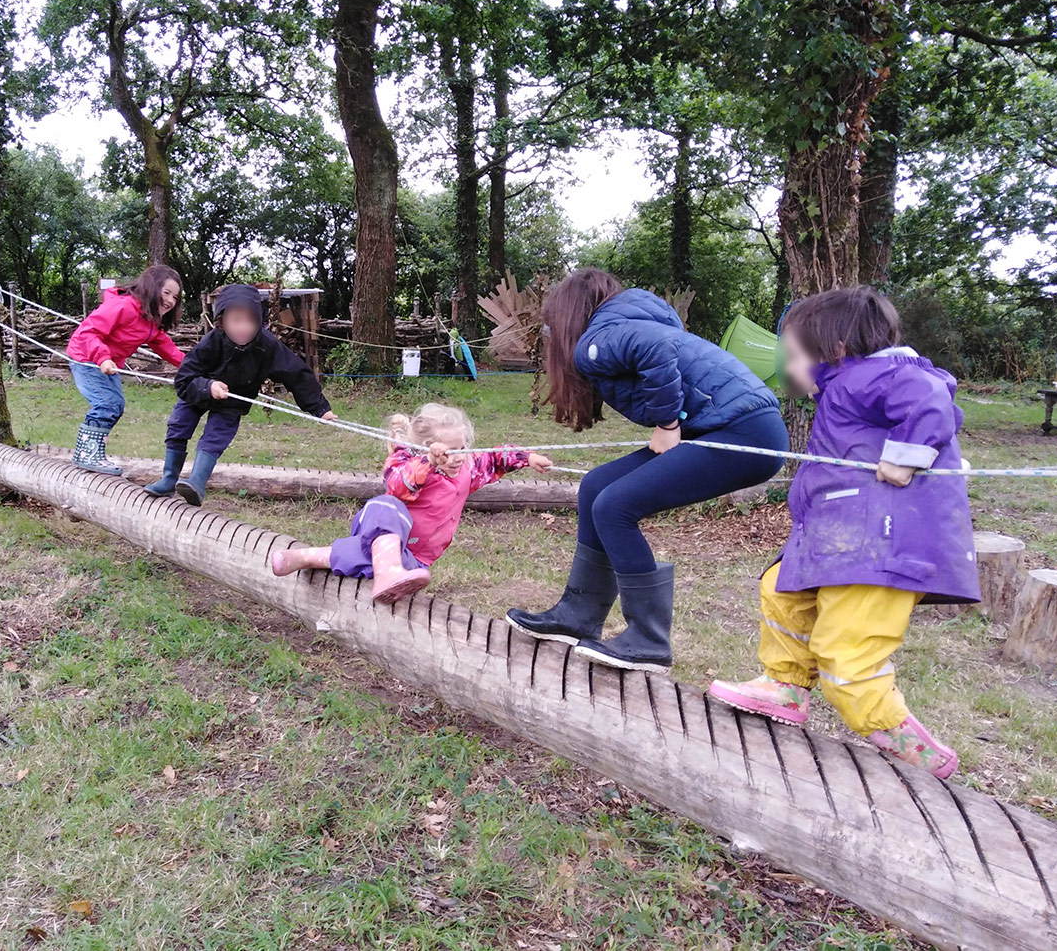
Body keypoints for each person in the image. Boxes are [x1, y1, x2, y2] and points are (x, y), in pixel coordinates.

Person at [709, 287, 977, 778]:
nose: (788, 370)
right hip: (842, 541)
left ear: (831, 350)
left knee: (846, 657)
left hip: (881, 547)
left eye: (793, 356)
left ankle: (906, 742)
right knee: (781, 588)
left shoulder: (880, 375)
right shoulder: (849, 387)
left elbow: (931, 401)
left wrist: (905, 456)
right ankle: (785, 687)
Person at [506, 269, 788, 671]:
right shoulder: (621, 324)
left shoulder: (597, 338)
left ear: (569, 315)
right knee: (597, 486)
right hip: (732, 427)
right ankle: (579, 614)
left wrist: (667, 424)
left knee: (615, 506)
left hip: (745, 431)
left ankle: (648, 639)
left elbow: (657, 352)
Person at [269, 403, 553, 603]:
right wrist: (428, 462)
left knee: (358, 556)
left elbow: (493, 457)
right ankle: (386, 571)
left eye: (463, 448)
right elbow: (396, 483)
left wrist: (526, 458)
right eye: (450, 451)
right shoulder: (407, 462)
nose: (458, 457)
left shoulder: (467, 468)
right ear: (424, 448)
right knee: (385, 505)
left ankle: (305, 557)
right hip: (381, 532)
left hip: (414, 557)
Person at [144, 283, 336, 505]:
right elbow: (184, 378)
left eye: (251, 320)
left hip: (233, 401)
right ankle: (168, 479)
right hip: (198, 390)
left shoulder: (267, 346)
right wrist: (209, 386)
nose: (243, 327)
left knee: (215, 438)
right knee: (179, 425)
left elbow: (297, 374)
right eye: (236, 320)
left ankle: (196, 483)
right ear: (221, 321)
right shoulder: (211, 342)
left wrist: (321, 409)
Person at [66, 267, 185, 475]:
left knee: (116, 405)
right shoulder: (122, 306)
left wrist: (192, 367)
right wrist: (102, 357)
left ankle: (92, 452)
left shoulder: (150, 321)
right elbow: (89, 332)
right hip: (86, 357)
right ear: (151, 287)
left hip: (106, 364)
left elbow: (167, 348)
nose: (171, 301)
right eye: (166, 293)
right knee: (107, 404)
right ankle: (86, 454)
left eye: (175, 297)